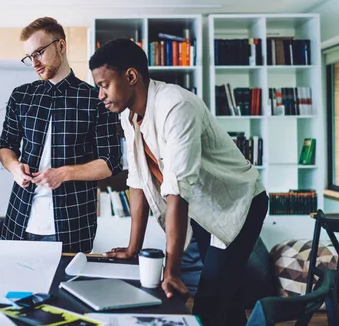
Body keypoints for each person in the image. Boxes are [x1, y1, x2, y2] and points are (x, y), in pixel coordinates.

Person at [89, 38, 268, 326]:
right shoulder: (129, 116)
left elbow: (177, 190)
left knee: (209, 301)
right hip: (201, 206)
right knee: (227, 297)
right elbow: (137, 182)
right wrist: (132, 249)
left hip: (238, 204)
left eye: (104, 84)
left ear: (131, 76)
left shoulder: (176, 106)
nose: (100, 95)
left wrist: (171, 273)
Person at [0, 17, 121, 253]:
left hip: (72, 226)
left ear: (61, 46)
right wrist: (14, 167)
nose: (35, 63)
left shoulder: (95, 99)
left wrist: (63, 174)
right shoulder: (21, 96)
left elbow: (111, 162)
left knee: (62, 289)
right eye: (29, 57)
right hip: (19, 221)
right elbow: (5, 145)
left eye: (39, 53)